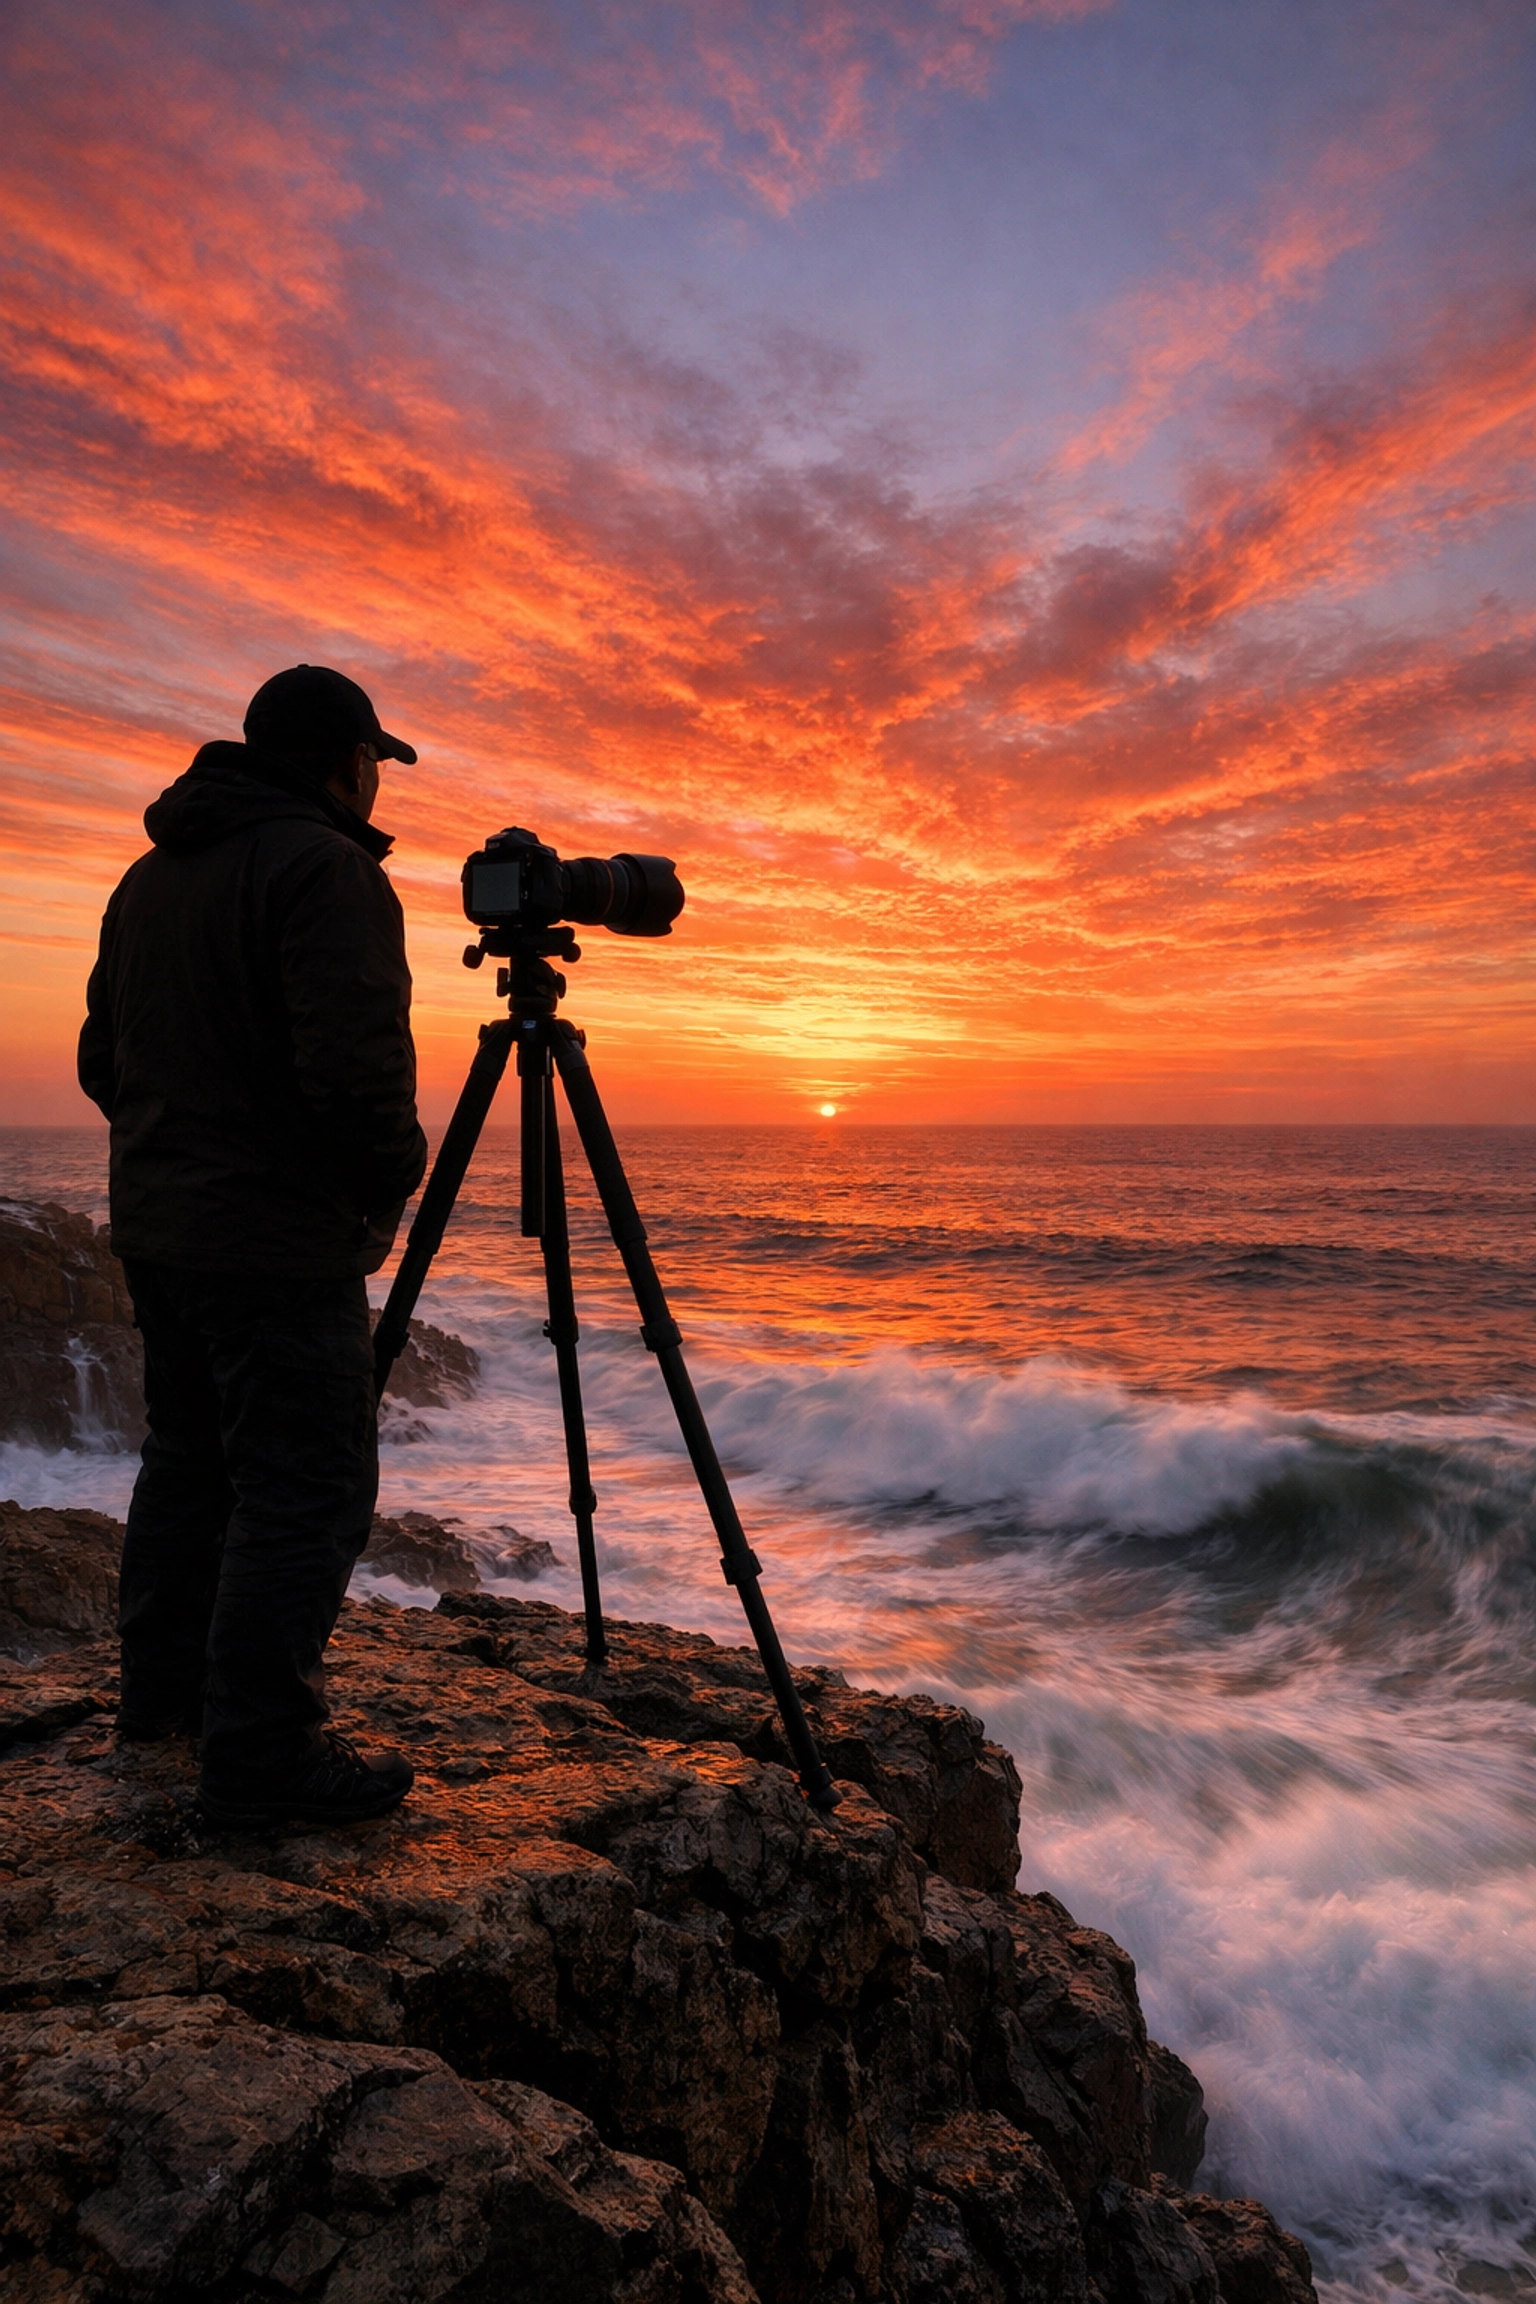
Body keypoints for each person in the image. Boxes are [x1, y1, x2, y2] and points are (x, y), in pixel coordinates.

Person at [78, 665, 429, 1827]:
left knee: (189, 1464)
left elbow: (100, 1061)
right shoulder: (324, 869)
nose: (376, 783)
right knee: (307, 1488)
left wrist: (184, 1148)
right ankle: (265, 1756)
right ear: (349, 763)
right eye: (374, 762)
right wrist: (385, 1181)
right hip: (274, 1246)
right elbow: (358, 1080)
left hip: (162, 1231)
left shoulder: (150, 875)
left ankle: (163, 1708)